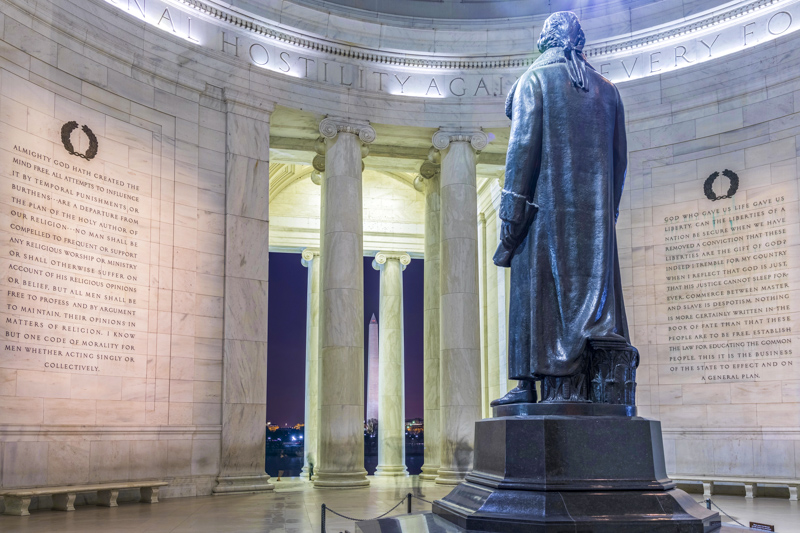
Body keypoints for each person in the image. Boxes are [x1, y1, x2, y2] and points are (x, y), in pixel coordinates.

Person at [492, 11, 631, 406]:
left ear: (545, 41)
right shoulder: (610, 92)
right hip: (597, 224)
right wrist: (609, 213)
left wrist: (510, 215)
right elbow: (620, 164)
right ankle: (587, 385)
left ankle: (528, 384)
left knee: (533, 295)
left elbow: (521, 151)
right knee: (593, 299)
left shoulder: (534, 80)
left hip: (544, 219)